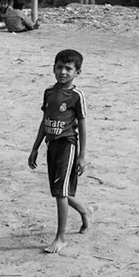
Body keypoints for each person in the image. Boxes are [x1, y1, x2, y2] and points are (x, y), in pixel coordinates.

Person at [26, 48, 90, 255]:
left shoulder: (77, 96)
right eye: (59, 67)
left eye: (68, 69)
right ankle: (83, 210)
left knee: (61, 192)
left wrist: (81, 156)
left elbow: (83, 125)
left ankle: (61, 237)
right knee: (58, 190)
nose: (63, 72)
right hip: (51, 145)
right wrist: (35, 148)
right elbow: (45, 121)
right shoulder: (49, 92)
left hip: (67, 145)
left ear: (77, 72)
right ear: (53, 68)